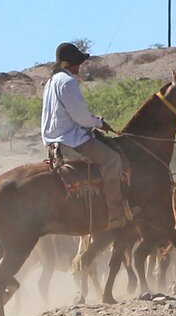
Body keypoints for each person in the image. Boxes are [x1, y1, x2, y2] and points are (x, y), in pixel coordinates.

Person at [42, 42, 132, 227]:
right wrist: (99, 122)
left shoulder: (51, 82)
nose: (79, 66)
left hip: (53, 140)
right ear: (70, 63)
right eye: (77, 62)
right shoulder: (67, 82)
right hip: (70, 139)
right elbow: (81, 117)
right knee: (112, 160)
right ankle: (115, 214)